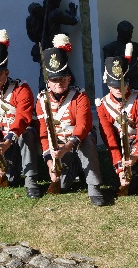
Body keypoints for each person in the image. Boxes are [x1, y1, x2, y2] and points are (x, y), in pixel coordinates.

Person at [35, 35, 107, 206]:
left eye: (62, 78)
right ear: (48, 82)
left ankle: (94, 185)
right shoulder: (41, 101)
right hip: (57, 145)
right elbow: (44, 134)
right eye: (54, 79)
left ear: (68, 79)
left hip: (77, 139)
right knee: (64, 184)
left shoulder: (80, 96)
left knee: (87, 140)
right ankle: (76, 168)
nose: (59, 82)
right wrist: (50, 163)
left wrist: (67, 147)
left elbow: (83, 126)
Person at [0, 29, 41, 198]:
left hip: (20, 136)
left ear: (7, 72)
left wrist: (9, 140)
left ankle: (31, 179)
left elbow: (23, 118)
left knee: (27, 133)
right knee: (10, 179)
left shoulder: (22, 89)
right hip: (3, 141)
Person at [95, 50, 138, 213]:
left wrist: (136, 154)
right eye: (115, 85)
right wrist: (119, 166)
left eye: (123, 83)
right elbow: (109, 137)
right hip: (119, 145)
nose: (119, 88)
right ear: (108, 84)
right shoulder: (103, 105)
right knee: (127, 185)